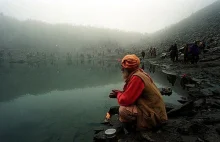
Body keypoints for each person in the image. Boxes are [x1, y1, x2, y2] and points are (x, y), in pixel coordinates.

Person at [109, 54, 168, 136]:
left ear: (128, 68)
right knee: (126, 106)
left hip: (155, 116)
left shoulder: (137, 78)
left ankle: (142, 126)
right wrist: (120, 93)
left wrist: (118, 94)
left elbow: (125, 100)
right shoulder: (140, 72)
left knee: (123, 110)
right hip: (156, 111)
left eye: (123, 67)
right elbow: (131, 93)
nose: (122, 69)